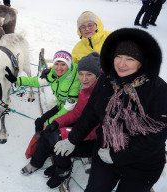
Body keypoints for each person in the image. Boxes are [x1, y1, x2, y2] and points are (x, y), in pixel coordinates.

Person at [54, 28, 167, 192]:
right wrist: (73, 139)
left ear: (142, 61)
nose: (121, 64)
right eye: (118, 57)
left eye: (130, 59)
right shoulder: (107, 80)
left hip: (142, 164)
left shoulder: (158, 90)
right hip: (105, 151)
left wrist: (118, 157)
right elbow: (90, 114)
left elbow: (155, 137)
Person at [18, 52, 102, 189]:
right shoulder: (85, 89)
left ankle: (64, 170)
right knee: (51, 129)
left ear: (97, 74)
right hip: (82, 128)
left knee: (57, 138)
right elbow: (76, 112)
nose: (84, 79)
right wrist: (57, 122)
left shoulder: (101, 94)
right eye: (81, 74)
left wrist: (68, 133)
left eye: (89, 74)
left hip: (95, 141)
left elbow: (98, 129)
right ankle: (37, 163)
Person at [5, 50, 80, 134]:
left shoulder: (75, 81)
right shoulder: (54, 74)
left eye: (63, 64)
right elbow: (37, 81)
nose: (59, 68)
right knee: (39, 123)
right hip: (60, 106)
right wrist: (17, 80)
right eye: (56, 64)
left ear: (69, 65)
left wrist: (49, 122)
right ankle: (38, 140)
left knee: (48, 130)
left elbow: (68, 107)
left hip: (72, 112)